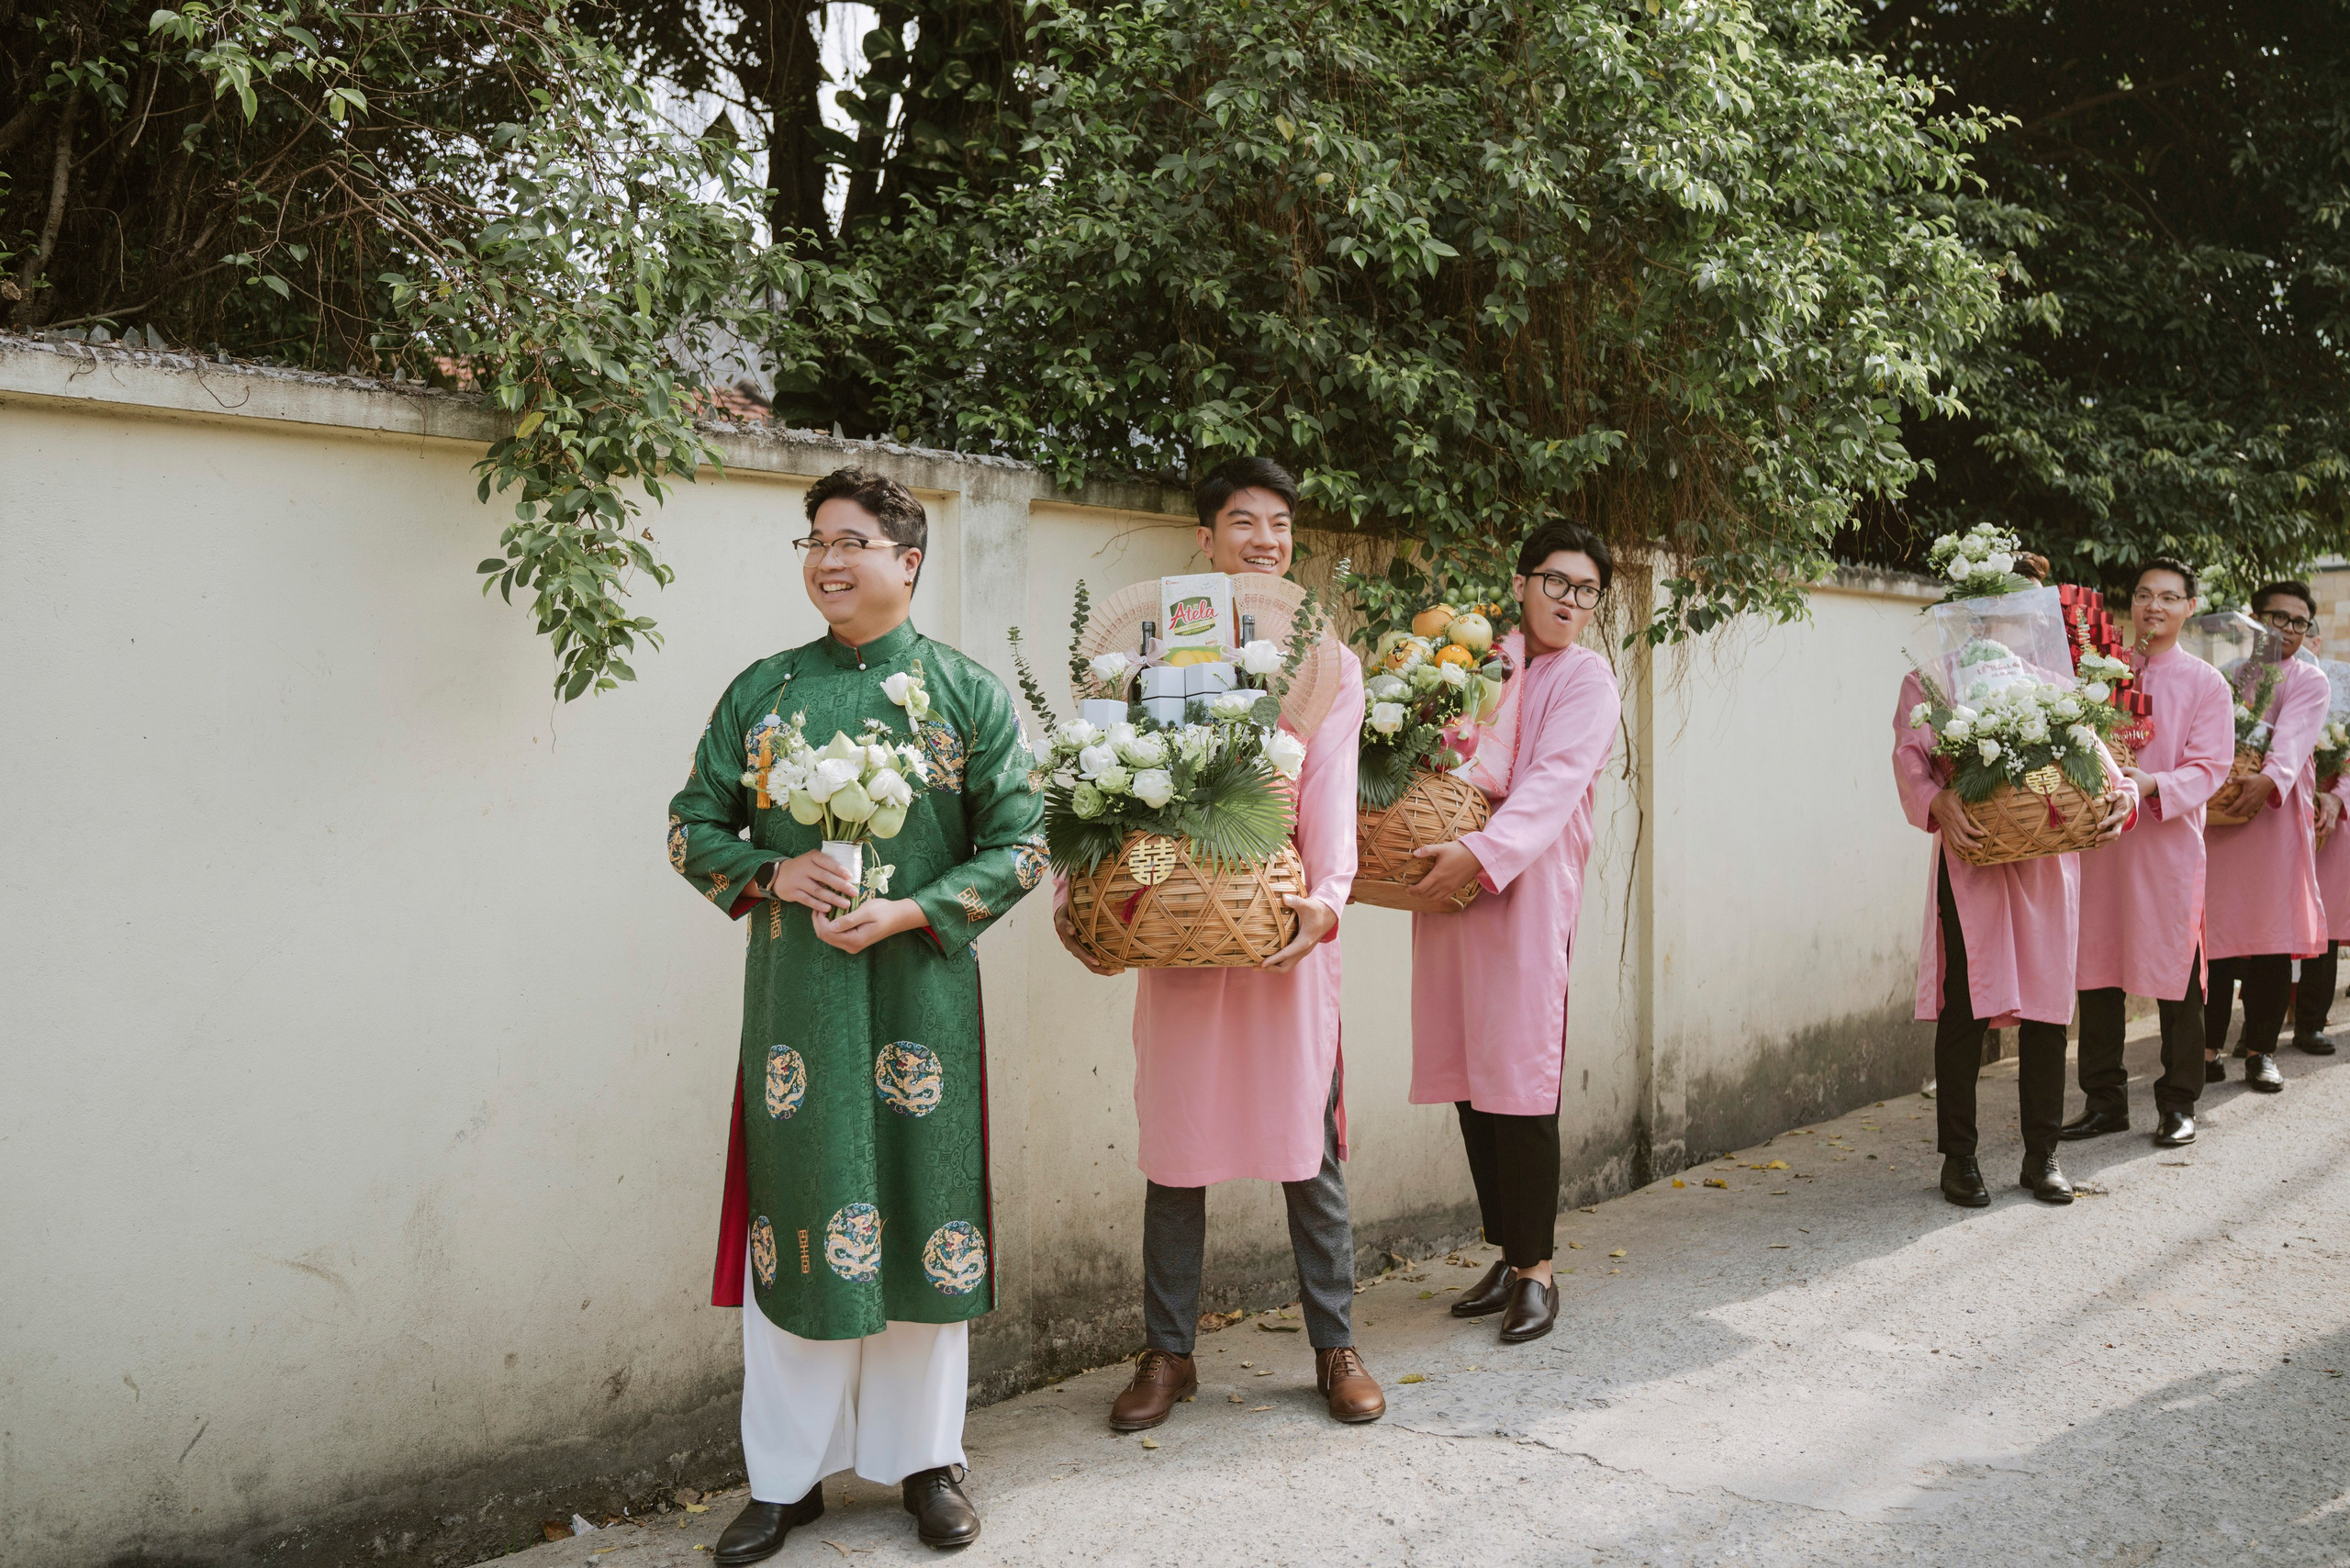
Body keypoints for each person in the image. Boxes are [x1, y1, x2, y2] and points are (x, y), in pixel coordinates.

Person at [667, 466, 1046, 1562]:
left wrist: (913, 910)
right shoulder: (764, 692)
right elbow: (692, 824)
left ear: (907, 560)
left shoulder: (966, 693)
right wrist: (772, 873)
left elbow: (1020, 843)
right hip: (800, 1008)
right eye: (812, 542)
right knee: (803, 1212)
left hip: (920, 990)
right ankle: (783, 1480)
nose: (825, 561)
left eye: (850, 541)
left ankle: (927, 1462)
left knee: (924, 1210)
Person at [1054, 455, 1382, 1430]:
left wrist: (1323, 904)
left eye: (1281, 526)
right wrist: (1090, 903)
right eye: (1244, 523)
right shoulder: (1147, 654)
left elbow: (1326, 799)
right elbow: (1105, 791)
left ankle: (1336, 1347)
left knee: (1308, 1147)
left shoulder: (1324, 661)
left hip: (1275, 923)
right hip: (1178, 911)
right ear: (1205, 540)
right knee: (1175, 1146)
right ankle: (1168, 1353)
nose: (1265, 542)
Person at [1403, 521, 1620, 1344]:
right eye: (1556, 582)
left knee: (1522, 1082)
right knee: (1471, 1075)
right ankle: (1507, 1249)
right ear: (1524, 582)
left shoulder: (1588, 680)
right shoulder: (1481, 661)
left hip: (1522, 889)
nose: (1569, 601)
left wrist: (1480, 852)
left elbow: (1555, 783)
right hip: (1456, 890)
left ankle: (1538, 1270)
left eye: (1586, 590)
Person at [1894, 618, 2135, 1208]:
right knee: (1965, 1004)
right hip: (1972, 857)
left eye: (2013, 606)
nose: (1997, 616)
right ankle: (1960, 1157)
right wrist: (1937, 800)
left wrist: (2123, 800)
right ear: (1965, 609)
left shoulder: (2051, 686)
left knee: (2048, 1007)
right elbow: (1909, 760)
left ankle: (2042, 1155)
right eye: (1984, 603)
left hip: (2045, 863)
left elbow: (2106, 770)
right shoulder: (1929, 685)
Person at [2064, 560, 2234, 1149]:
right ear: (2128, 604)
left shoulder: (2205, 683)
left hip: (2165, 848)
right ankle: (2104, 1100)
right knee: (2097, 969)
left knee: (2176, 973)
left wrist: (2149, 784)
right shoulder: (2097, 673)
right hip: (2103, 845)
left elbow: (2210, 766)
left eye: (2167, 597)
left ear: (2189, 606)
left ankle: (2179, 1100)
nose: (2152, 606)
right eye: (2142, 595)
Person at [2203, 581, 2331, 1093]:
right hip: (2224, 818)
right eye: (2277, 618)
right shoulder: (2228, 677)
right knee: (2213, 939)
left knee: (2271, 938)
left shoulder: (2309, 680)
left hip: (2274, 819)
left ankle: (2260, 1052)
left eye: (2298, 622)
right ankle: (2207, 1050)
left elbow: (2294, 742)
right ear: (2254, 619)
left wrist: (2266, 783)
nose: (2287, 630)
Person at [2292, 644, 2350, 1056]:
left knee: (2323, 924)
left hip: (2332, 820)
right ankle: (2255, 1028)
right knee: (2272, 924)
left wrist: (2337, 797)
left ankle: (2310, 1020)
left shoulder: (2338, 687)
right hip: (2277, 810)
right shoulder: (2257, 680)